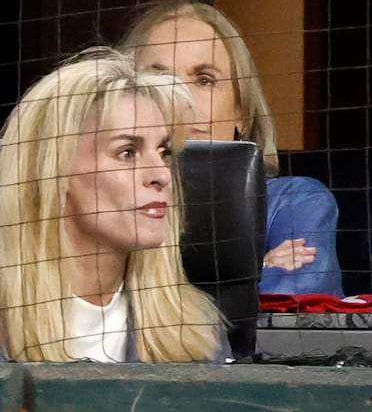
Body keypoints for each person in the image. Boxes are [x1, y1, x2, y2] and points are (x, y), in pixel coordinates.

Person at [0, 49, 225, 362]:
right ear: (53, 172)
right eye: (127, 153)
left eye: (164, 152)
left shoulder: (197, 333)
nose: (161, 175)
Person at [122, 0, 341, 296]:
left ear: (243, 112)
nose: (180, 96)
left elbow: (295, 297)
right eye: (159, 78)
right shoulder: (103, 201)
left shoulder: (295, 201)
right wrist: (247, 279)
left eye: (204, 80)